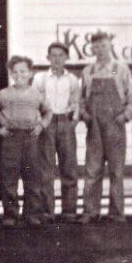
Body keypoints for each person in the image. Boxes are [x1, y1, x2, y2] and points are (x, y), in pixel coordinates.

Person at [0, 55, 52, 227]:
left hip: (30, 138)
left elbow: (48, 111)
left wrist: (41, 126)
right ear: (11, 74)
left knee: (33, 177)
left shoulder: (36, 94)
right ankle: (10, 215)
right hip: (11, 138)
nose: (19, 75)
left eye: (23, 71)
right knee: (9, 177)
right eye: (15, 72)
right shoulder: (4, 94)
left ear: (30, 73)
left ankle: (32, 214)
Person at [80, 31, 132, 223]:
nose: (100, 50)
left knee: (116, 171)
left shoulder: (117, 69)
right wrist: (85, 115)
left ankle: (116, 213)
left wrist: (125, 116)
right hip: (94, 128)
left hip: (115, 127)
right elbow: (81, 99)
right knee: (92, 171)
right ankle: (90, 211)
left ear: (110, 46)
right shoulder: (88, 71)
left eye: (103, 46)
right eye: (96, 47)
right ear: (91, 49)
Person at [33, 42, 82, 221]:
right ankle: (47, 211)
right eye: (53, 55)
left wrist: (73, 122)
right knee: (46, 169)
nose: (57, 59)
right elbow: (36, 103)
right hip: (47, 121)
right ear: (48, 58)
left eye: (60, 55)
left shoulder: (72, 79)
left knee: (69, 167)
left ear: (66, 58)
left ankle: (69, 211)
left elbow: (76, 103)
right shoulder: (40, 78)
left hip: (66, 121)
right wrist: (41, 122)